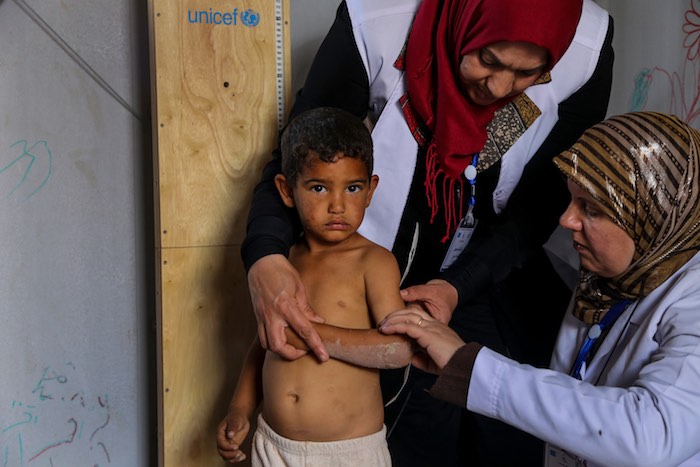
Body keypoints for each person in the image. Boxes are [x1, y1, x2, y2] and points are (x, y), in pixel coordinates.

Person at [241, 0, 614, 464]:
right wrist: (265, 256)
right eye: (487, 59)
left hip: (498, 263)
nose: (498, 87)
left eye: (527, 74)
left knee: (506, 435)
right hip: (396, 262)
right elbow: (297, 156)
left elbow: (542, 200)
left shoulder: (587, 47)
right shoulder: (375, 22)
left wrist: (460, 284)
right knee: (412, 428)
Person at [379, 111, 700, 467]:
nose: (566, 220)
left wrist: (468, 365)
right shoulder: (608, 272)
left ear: (653, 215)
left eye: (591, 208)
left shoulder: (693, 301)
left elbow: (652, 436)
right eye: (571, 200)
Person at [218, 107, 413, 466]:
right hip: (273, 446)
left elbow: (399, 349)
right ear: (287, 190)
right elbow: (264, 343)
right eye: (319, 187)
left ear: (370, 190)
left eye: (352, 188)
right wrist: (240, 408)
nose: (337, 206)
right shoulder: (284, 262)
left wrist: (311, 333)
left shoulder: (373, 262)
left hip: (347, 452)